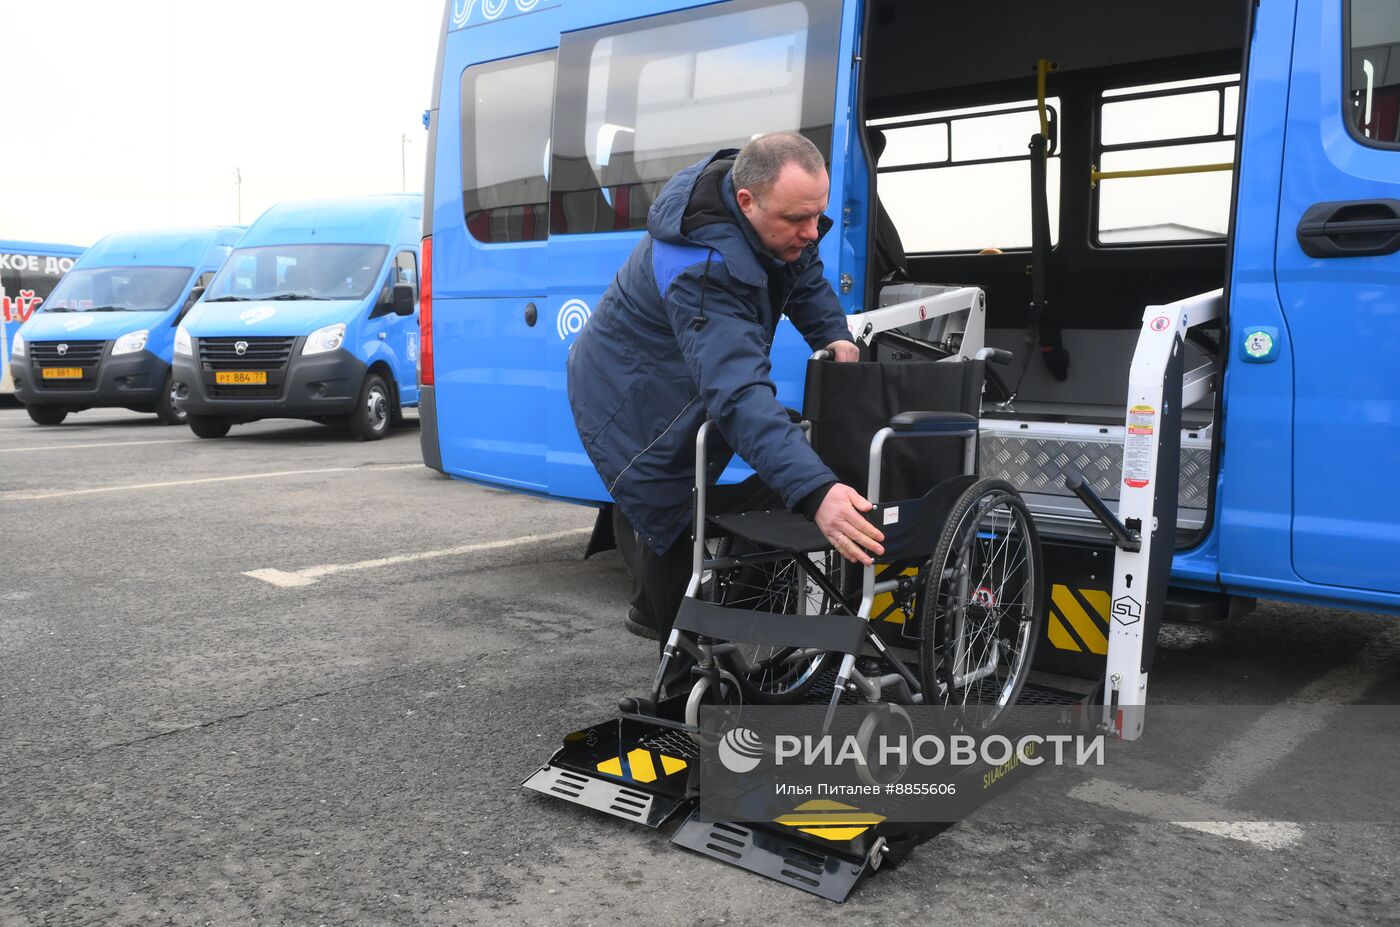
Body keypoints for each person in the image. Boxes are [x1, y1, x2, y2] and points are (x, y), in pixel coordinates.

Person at [566, 131, 886, 668]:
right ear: (746, 202)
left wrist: (834, 335)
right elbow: (737, 396)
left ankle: (707, 629)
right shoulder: (702, 267)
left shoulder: (771, 217)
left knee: (783, 446)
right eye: (796, 220)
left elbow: (801, 271)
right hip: (630, 395)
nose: (811, 233)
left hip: (679, 370)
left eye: (817, 215)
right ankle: (684, 666)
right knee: (666, 507)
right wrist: (816, 493)